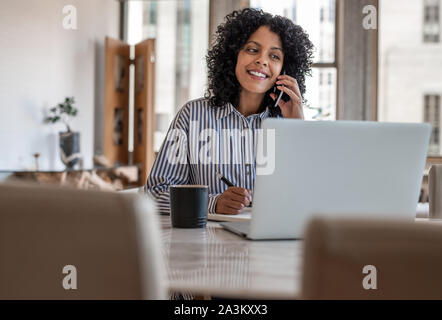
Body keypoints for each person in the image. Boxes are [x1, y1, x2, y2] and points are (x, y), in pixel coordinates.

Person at [145, 8, 314, 215]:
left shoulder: (289, 123)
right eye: (252, 50)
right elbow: (153, 194)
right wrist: (212, 204)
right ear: (233, 55)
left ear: (284, 70)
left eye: (274, 56)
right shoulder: (192, 116)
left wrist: (298, 128)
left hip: (273, 244)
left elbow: (309, 197)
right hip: (206, 244)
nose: (262, 60)